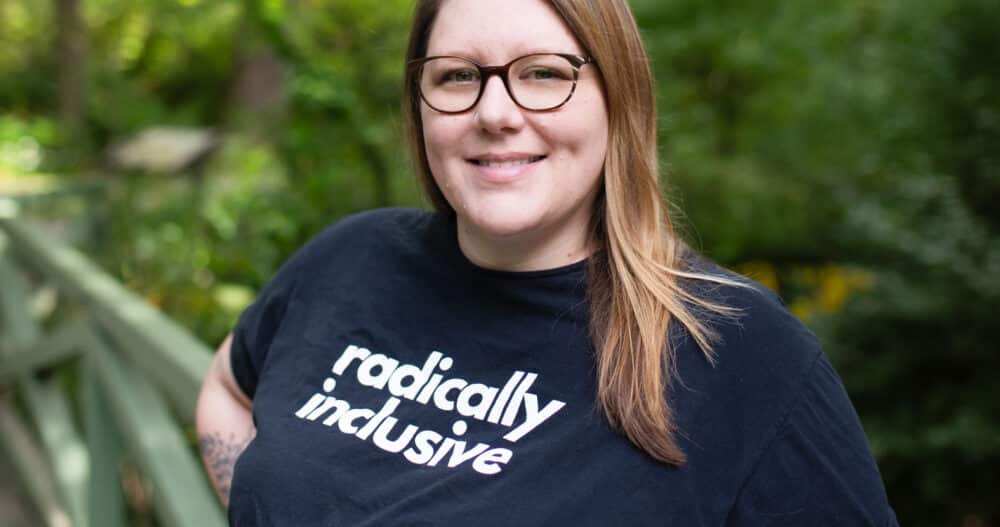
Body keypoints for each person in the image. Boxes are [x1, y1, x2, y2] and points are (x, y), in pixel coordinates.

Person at [196, 0, 898, 525]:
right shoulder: (348, 259)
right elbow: (227, 387)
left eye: (542, 74)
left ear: (616, 98)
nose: (495, 111)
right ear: (421, 103)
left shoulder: (737, 348)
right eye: (458, 75)